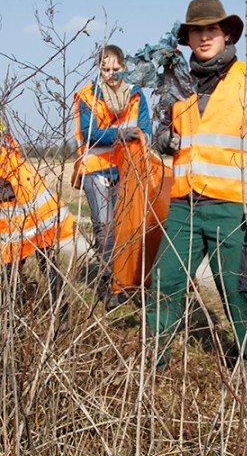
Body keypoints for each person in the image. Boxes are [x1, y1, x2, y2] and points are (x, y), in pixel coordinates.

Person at [146, 0, 247, 369]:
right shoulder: (176, 83)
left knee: (236, 291)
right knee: (164, 284)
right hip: (184, 206)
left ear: (226, 34)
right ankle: (153, 363)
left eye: (212, 29)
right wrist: (163, 139)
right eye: (197, 30)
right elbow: (161, 128)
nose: (204, 36)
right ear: (188, 38)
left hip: (234, 210)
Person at [73, 45, 151, 309]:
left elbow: (145, 130)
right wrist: (119, 135)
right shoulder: (87, 96)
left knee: (126, 228)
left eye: (116, 69)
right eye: (105, 69)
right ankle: (109, 285)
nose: (111, 74)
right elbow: (88, 132)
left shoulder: (137, 96)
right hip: (96, 169)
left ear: (124, 68)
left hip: (128, 170)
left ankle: (127, 283)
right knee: (105, 229)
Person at [0, 131, 75, 317]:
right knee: (47, 264)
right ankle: (62, 313)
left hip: (20, 215)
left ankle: (20, 319)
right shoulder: (7, 150)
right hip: (39, 210)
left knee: (11, 271)